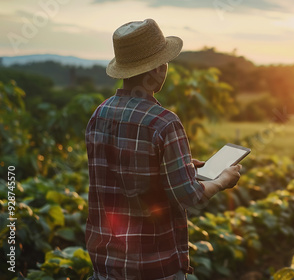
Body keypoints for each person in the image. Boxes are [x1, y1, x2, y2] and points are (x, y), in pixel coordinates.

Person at [85, 18, 241, 280]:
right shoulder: (164, 123)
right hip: (153, 264)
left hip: (106, 262)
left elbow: (119, 171)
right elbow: (189, 196)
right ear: (156, 69)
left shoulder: (99, 114)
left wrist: (179, 165)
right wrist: (223, 180)